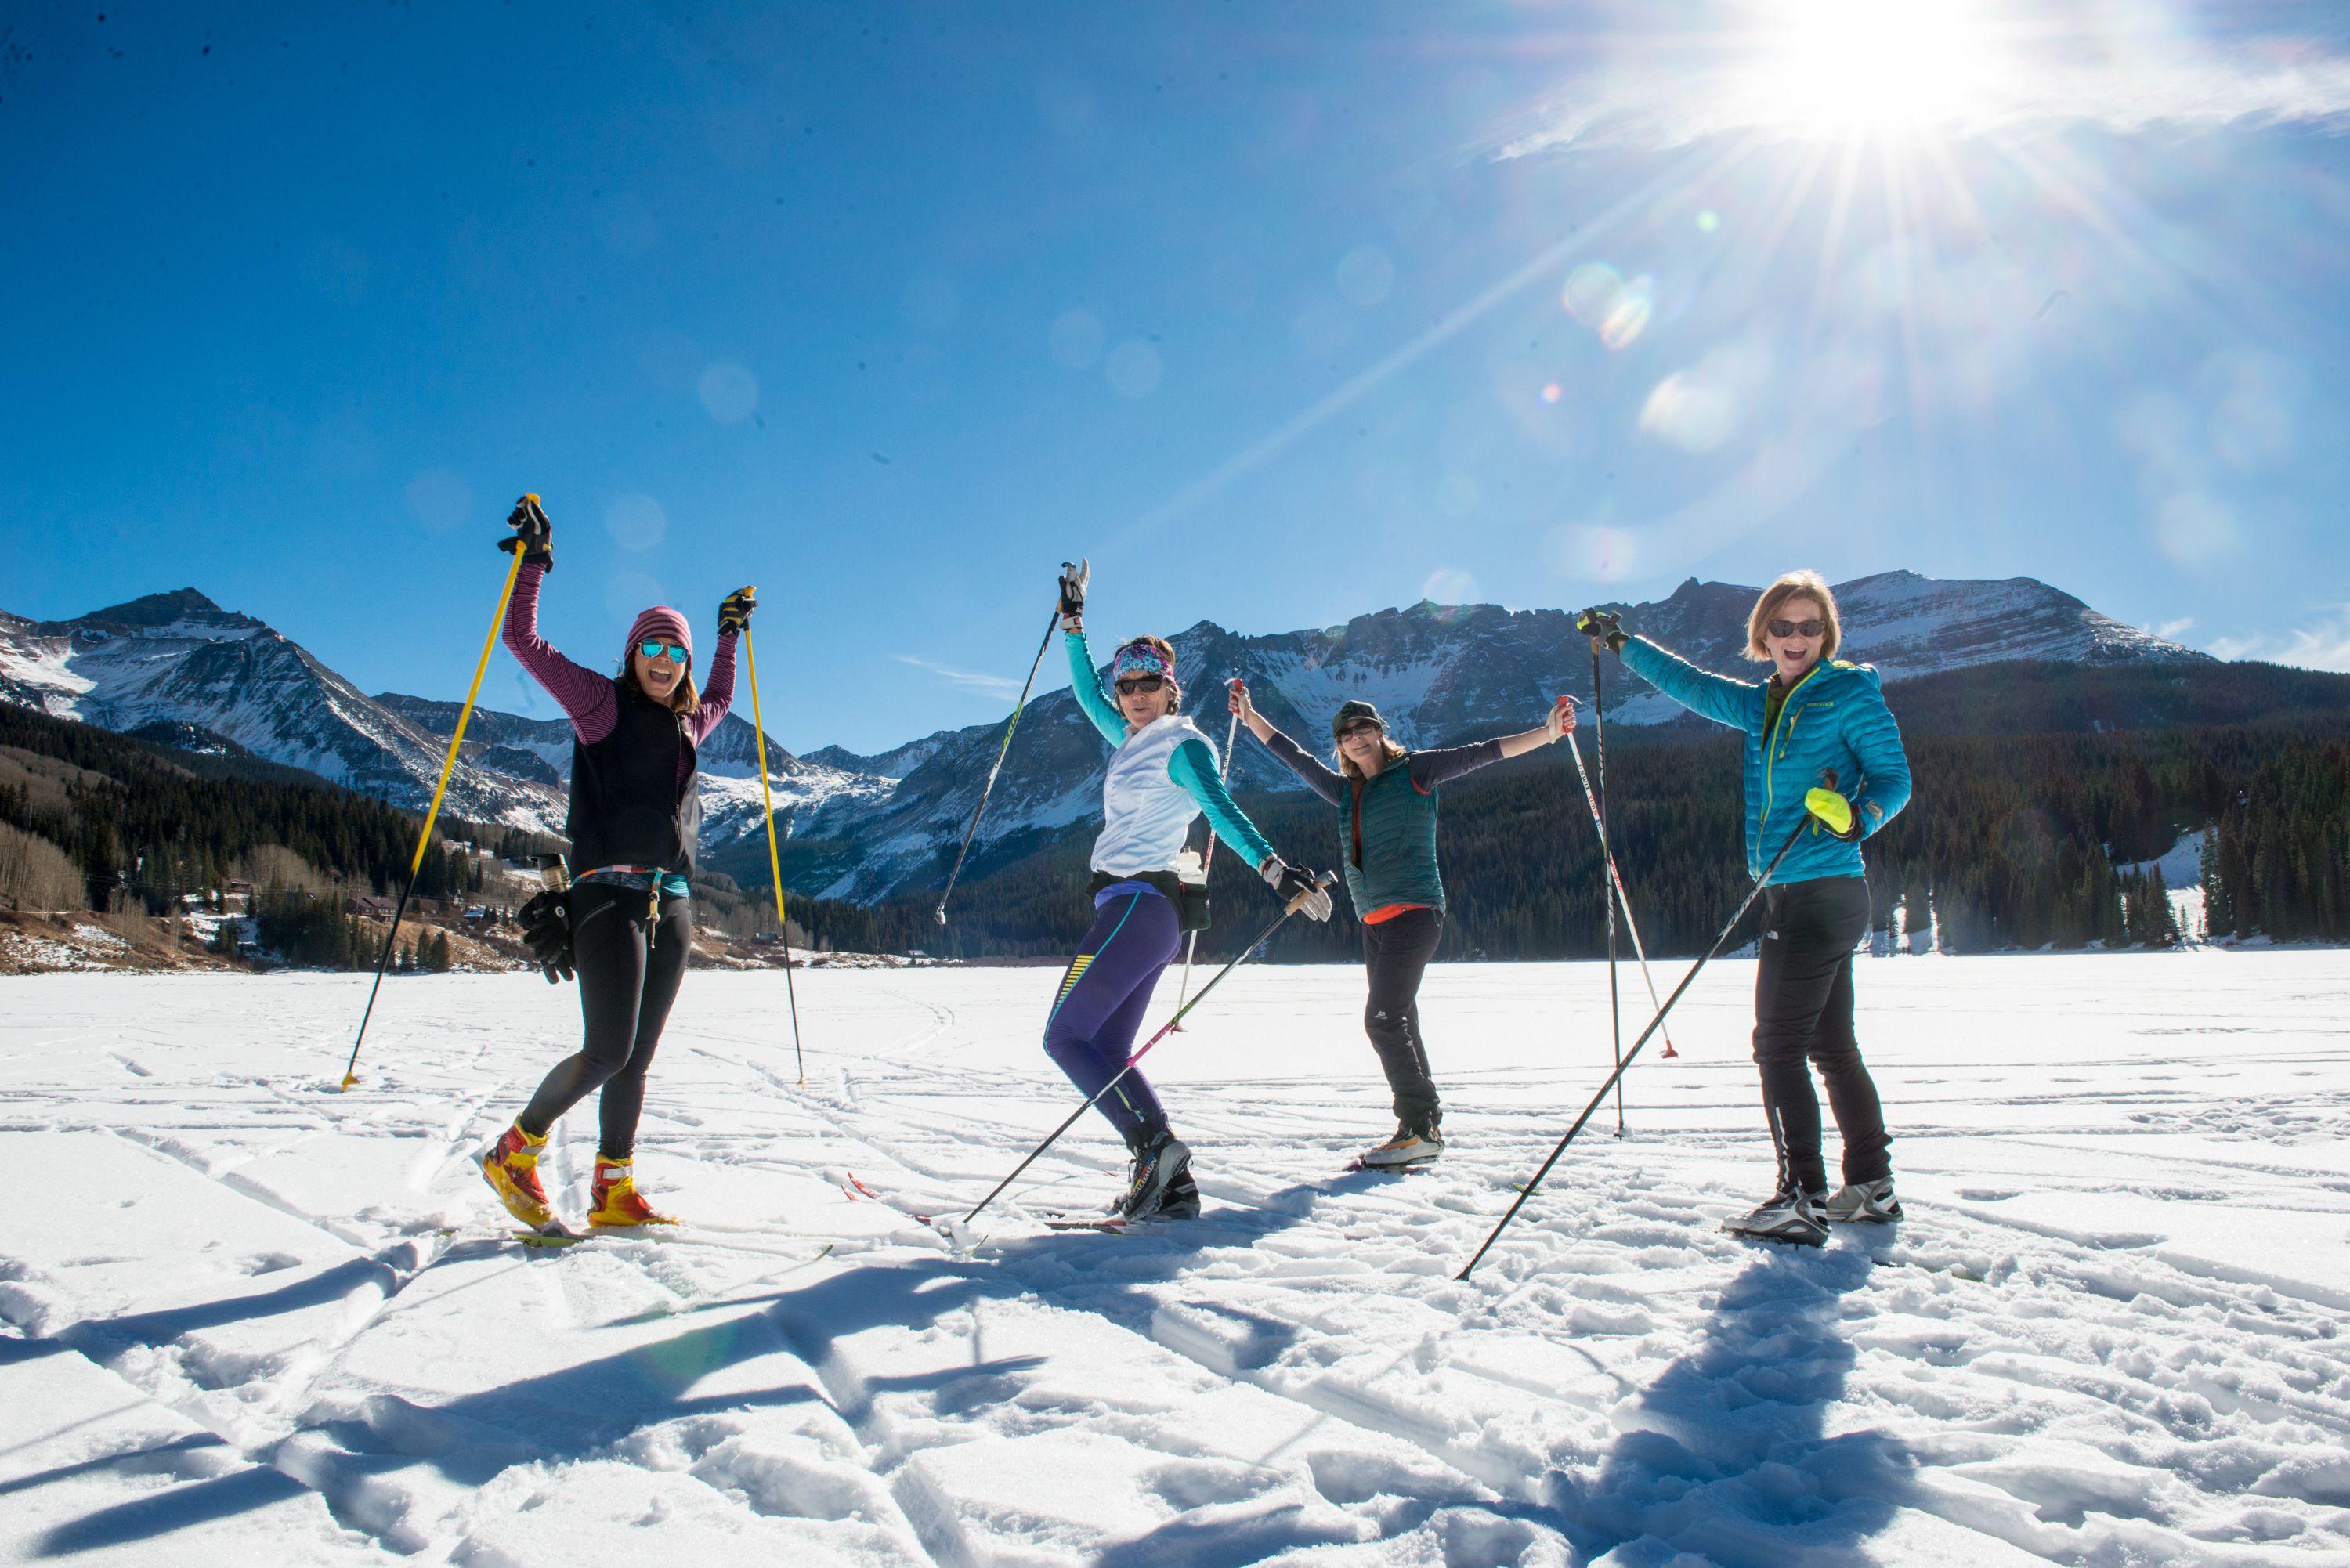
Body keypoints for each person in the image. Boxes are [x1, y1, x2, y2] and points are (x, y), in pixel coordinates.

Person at [1578, 570, 1911, 1247]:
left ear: (1827, 635)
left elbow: (1894, 780)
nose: (1796, 638)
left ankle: (1801, 1197)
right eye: (1783, 627)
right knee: (1829, 1043)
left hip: (1823, 888)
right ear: (1764, 634)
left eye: (1810, 627)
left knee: (1778, 1043)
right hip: (1795, 891)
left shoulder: (1848, 692)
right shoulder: (1761, 704)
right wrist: (1623, 645)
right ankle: (1870, 1188)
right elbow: (1692, 686)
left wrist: (1858, 817)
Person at [477, 495, 757, 1234]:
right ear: (632, 654)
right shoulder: (600, 707)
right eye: (652, 649)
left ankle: (613, 1190)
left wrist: (727, 635)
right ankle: (515, 1151)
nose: (664, 662)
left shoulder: (691, 719)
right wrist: (535, 564)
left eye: (676, 652)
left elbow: (723, 693)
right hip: (609, 898)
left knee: (636, 1059)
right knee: (606, 1049)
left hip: (673, 903)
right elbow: (524, 641)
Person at [1051, 561, 1334, 1222]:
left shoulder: (1181, 743)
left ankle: (1152, 1148)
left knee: (1065, 1037)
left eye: (1150, 683)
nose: (1136, 694)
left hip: (1138, 907)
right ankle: (1172, 1189)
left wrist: (1275, 869)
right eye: (1127, 686)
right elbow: (1086, 696)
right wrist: (1073, 625)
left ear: (1170, 690)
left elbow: (1220, 807)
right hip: (1140, 917)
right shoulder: (1131, 738)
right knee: (1107, 1050)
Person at [1228, 681, 1574, 1168]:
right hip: (1375, 922)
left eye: (1364, 727)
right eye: (1346, 733)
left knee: (1382, 1019)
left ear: (1379, 731)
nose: (1356, 738)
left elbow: (1484, 753)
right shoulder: (1344, 790)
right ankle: (1422, 1125)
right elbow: (1295, 757)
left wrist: (1547, 734)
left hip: (1415, 913)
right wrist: (1250, 715)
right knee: (1402, 1019)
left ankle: (1418, 1126)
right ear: (1341, 744)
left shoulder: (1415, 771)